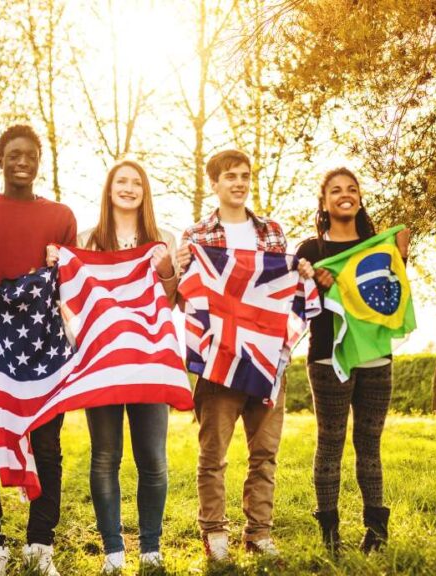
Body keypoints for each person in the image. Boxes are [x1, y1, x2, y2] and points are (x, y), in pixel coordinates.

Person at [0, 124, 77, 576]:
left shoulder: (61, 216)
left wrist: (61, 269)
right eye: (13, 154)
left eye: (30, 154)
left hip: (47, 349)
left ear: (39, 160)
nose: (21, 161)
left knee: (47, 447)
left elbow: (76, 280)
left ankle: (40, 546)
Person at [175, 149, 296, 562]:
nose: (239, 182)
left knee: (264, 454)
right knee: (214, 455)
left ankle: (258, 533)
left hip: (266, 361)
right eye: (230, 176)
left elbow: (285, 294)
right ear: (214, 183)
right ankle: (215, 534)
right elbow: (181, 301)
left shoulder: (274, 233)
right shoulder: (196, 237)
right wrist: (177, 270)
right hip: (219, 362)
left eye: (245, 175)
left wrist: (306, 277)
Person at [293, 167, 409, 554]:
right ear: (324, 202)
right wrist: (310, 279)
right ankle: (330, 535)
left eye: (353, 189)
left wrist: (401, 257)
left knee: (369, 444)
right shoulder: (311, 251)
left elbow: (391, 298)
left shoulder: (380, 246)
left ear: (360, 198)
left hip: (376, 356)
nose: (346, 195)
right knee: (330, 442)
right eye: (336, 190)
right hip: (329, 359)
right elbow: (295, 304)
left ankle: (376, 532)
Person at [75, 160, 177, 573]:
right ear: (109, 188)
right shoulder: (86, 239)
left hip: (151, 362)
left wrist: (166, 267)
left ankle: (150, 548)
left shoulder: (164, 238)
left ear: (145, 192)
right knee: (105, 457)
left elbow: (170, 301)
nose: (129, 188)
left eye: (137, 182)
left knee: (153, 458)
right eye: (122, 181)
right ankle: (113, 550)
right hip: (102, 363)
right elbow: (75, 299)